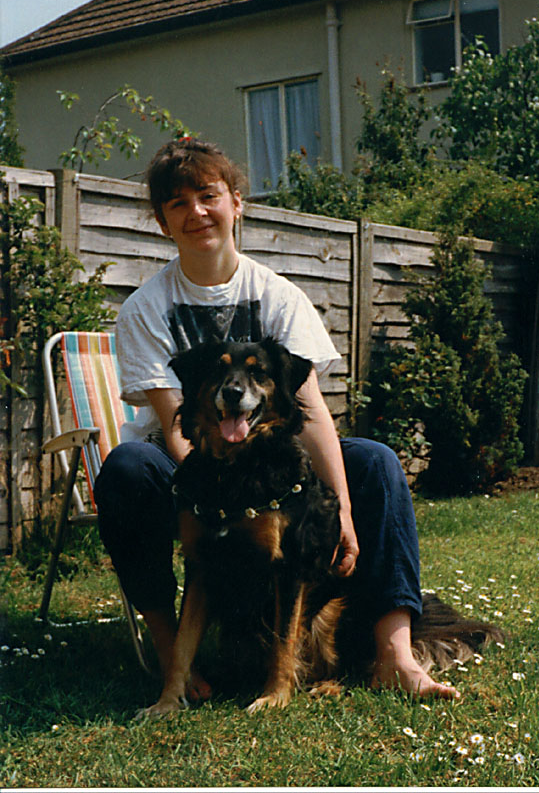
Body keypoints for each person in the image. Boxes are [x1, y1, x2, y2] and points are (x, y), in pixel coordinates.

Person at [94, 137, 459, 701]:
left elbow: (310, 413)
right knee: (124, 465)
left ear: (236, 202)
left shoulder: (279, 296)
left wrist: (341, 508)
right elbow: (174, 425)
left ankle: (396, 653)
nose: (196, 212)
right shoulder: (146, 307)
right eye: (177, 203)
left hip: (270, 465)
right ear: (163, 222)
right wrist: (222, 500)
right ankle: (172, 652)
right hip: (184, 470)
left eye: (207, 195)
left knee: (375, 460)